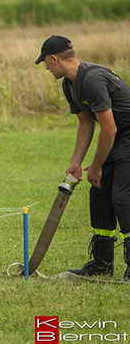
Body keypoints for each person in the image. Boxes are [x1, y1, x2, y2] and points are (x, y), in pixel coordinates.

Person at [36, 35, 130, 279]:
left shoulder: (92, 80)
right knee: (99, 194)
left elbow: (109, 128)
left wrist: (97, 166)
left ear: (55, 58)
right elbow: (86, 123)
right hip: (117, 138)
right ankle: (102, 265)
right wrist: (76, 162)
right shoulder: (69, 84)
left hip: (126, 135)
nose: (46, 68)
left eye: (46, 62)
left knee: (122, 197)